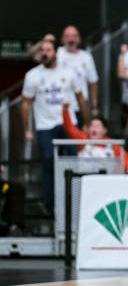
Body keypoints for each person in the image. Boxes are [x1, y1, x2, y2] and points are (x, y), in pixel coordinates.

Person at [21, 39, 88, 213]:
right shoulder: (32, 75)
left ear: (55, 52)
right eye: (42, 50)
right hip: (44, 125)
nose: (45, 53)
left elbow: (81, 97)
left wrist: (86, 122)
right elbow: (26, 103)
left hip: (67, 122)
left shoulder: (70, 72)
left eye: (48, 50)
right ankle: (49, 205)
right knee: (49, 162)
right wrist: (27, 129)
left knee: (74, 160)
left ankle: (77, 201)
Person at [57, 25, 99, 118]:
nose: (71, 39)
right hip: (60, 107)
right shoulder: (56, 54)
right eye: (67, 36)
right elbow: (34, 55)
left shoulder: (86, 57)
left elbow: (93, 82)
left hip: (81, 106)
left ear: (79, 39)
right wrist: (45, 40)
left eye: (74, 36)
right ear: (62, 39)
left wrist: (94, 106)